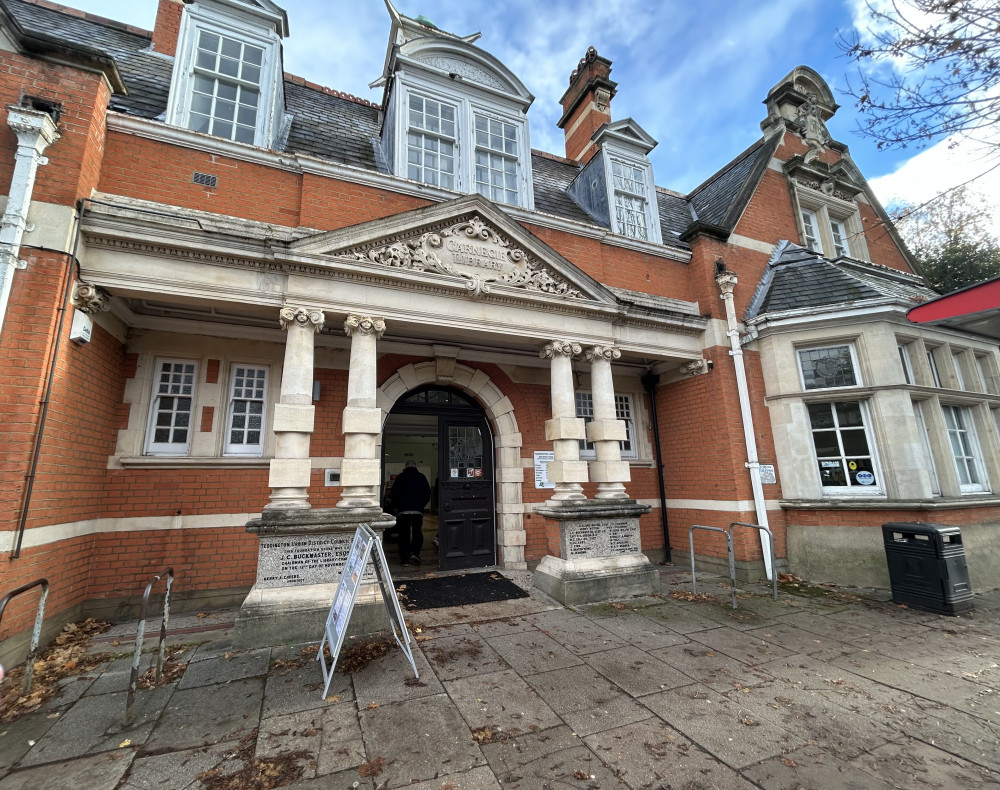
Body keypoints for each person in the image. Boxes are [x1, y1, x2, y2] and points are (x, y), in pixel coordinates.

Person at [389, 461, 431, 566]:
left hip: (403, 511)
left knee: (404, 534)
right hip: (417, 511)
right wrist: (421, 505)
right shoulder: (421, 477)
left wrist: (398, 506)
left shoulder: (400, 477)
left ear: (406, 467)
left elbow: (394, 493)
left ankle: (405, 559)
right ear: (415, 467)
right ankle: (415, 553)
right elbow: (427, 493)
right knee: (417, 532)